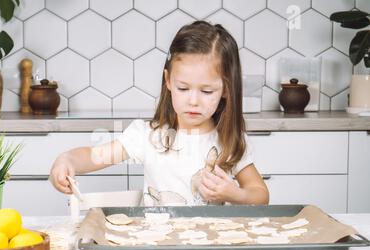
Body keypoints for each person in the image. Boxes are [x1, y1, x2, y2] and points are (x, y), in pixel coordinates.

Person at [49, 21, 269, 206]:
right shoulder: (147, 136)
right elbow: (94, 156)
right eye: (183, 88)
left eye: (206, 91)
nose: (193, 100)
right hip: (155, 247)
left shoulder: (229, 141)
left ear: (226, 90)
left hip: (209, 248)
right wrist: (66, 159)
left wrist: (235, 194)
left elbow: (260, 194)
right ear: (168, 81)